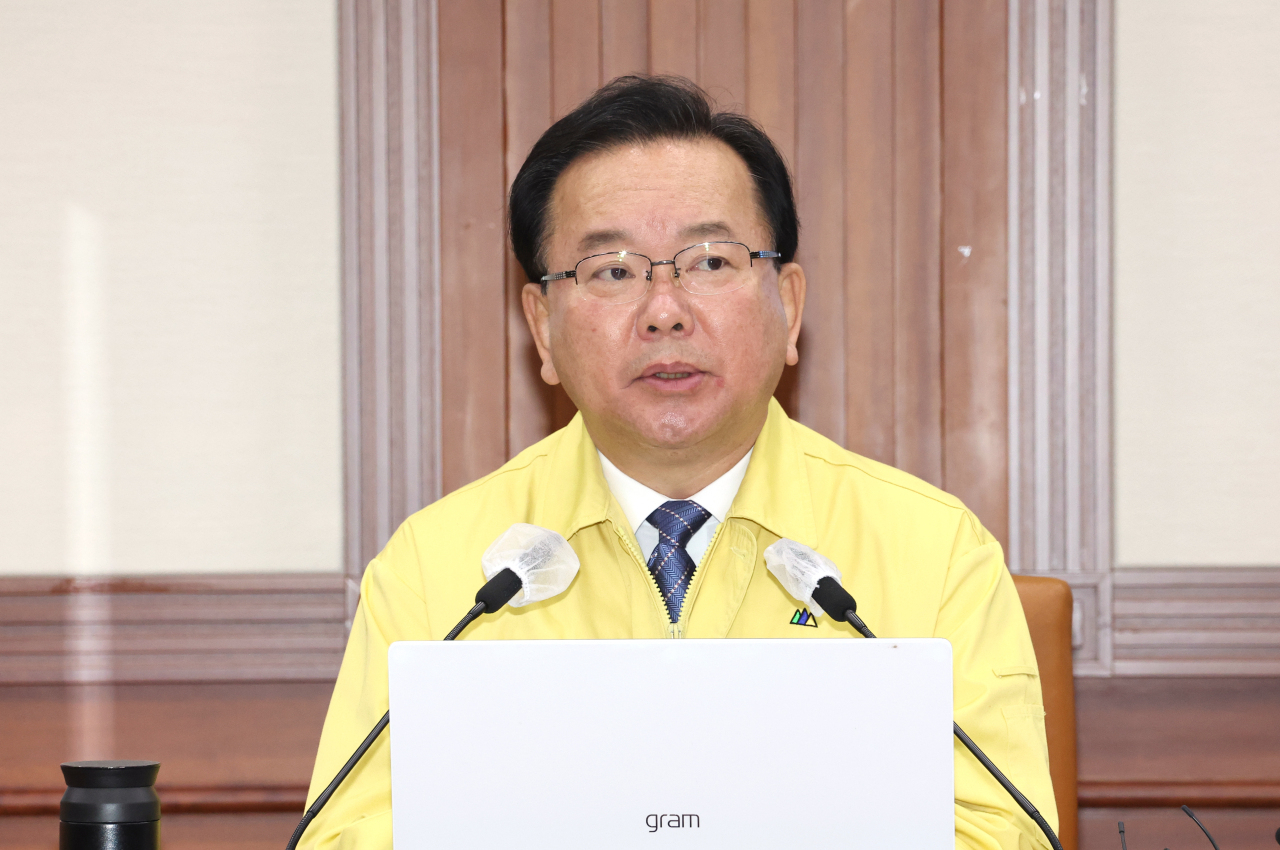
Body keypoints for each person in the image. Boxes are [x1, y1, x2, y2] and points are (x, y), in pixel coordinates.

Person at [303, 75, 1056, 850]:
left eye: (710, 262)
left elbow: (1002, 834)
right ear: (543, 327)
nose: (665, 309)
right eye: (614, 272)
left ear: (788, 308)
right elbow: (349, 835)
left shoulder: (931, 554)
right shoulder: (440, 572)